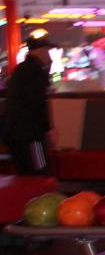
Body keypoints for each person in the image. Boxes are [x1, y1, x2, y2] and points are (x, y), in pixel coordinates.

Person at [3, 36, 55, 175]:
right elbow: (38, 104)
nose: (50, 56)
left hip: (14, 134)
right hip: (31, 135)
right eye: (48, 51)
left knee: (24, 174)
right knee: (39, 172)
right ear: (41, 51)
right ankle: (41, 197)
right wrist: (47, 129)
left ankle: (27, 197)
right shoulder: (37, 72)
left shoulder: (20, 70)